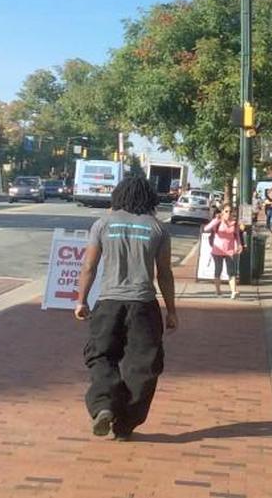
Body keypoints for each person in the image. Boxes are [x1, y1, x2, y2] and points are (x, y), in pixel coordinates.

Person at [74, 176, 178, 441]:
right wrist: (172, 310)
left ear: (118, 195)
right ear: (149, 197)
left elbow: (89, 267)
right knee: (143, 366)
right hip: (143, 304)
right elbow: (164, 272)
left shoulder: (102, 224)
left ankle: (104, 405)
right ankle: (125, 426)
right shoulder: (157, 227)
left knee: (100, 356)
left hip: (109, 302)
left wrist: (81, 300)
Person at [204, 204, 244, 299]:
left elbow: (237, 236)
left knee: (231, 271)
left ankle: (233, 291)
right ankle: (218, 291)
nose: (228, 213)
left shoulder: (234, 223)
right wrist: (216, 220)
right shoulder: (217, 222)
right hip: (217, 250)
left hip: (230, 250)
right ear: (222, 212)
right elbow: (206, 228)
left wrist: (239, 245)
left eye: (230, 212)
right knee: (218, 270)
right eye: (226, 211)